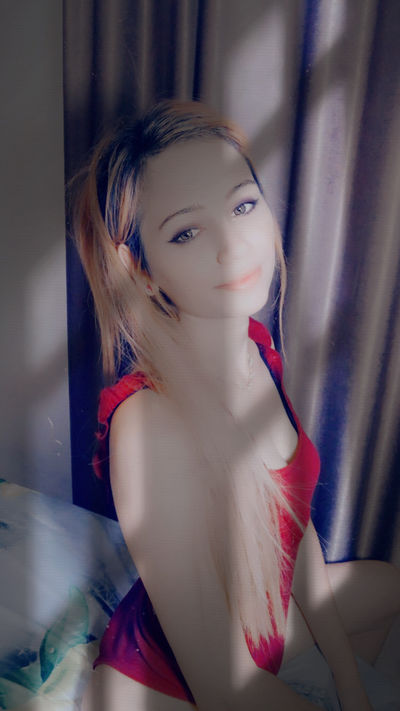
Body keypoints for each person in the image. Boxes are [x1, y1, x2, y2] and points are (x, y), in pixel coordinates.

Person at [73, 100, 400, 710]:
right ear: (140, 271)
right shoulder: (145, 425)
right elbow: (223, 686)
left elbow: (294, 526)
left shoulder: (255, 348)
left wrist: (350, 683)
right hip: (174, 682)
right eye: (187, 232)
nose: (233, 245)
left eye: (243, 205)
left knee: (385, 587)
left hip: (262, 626)